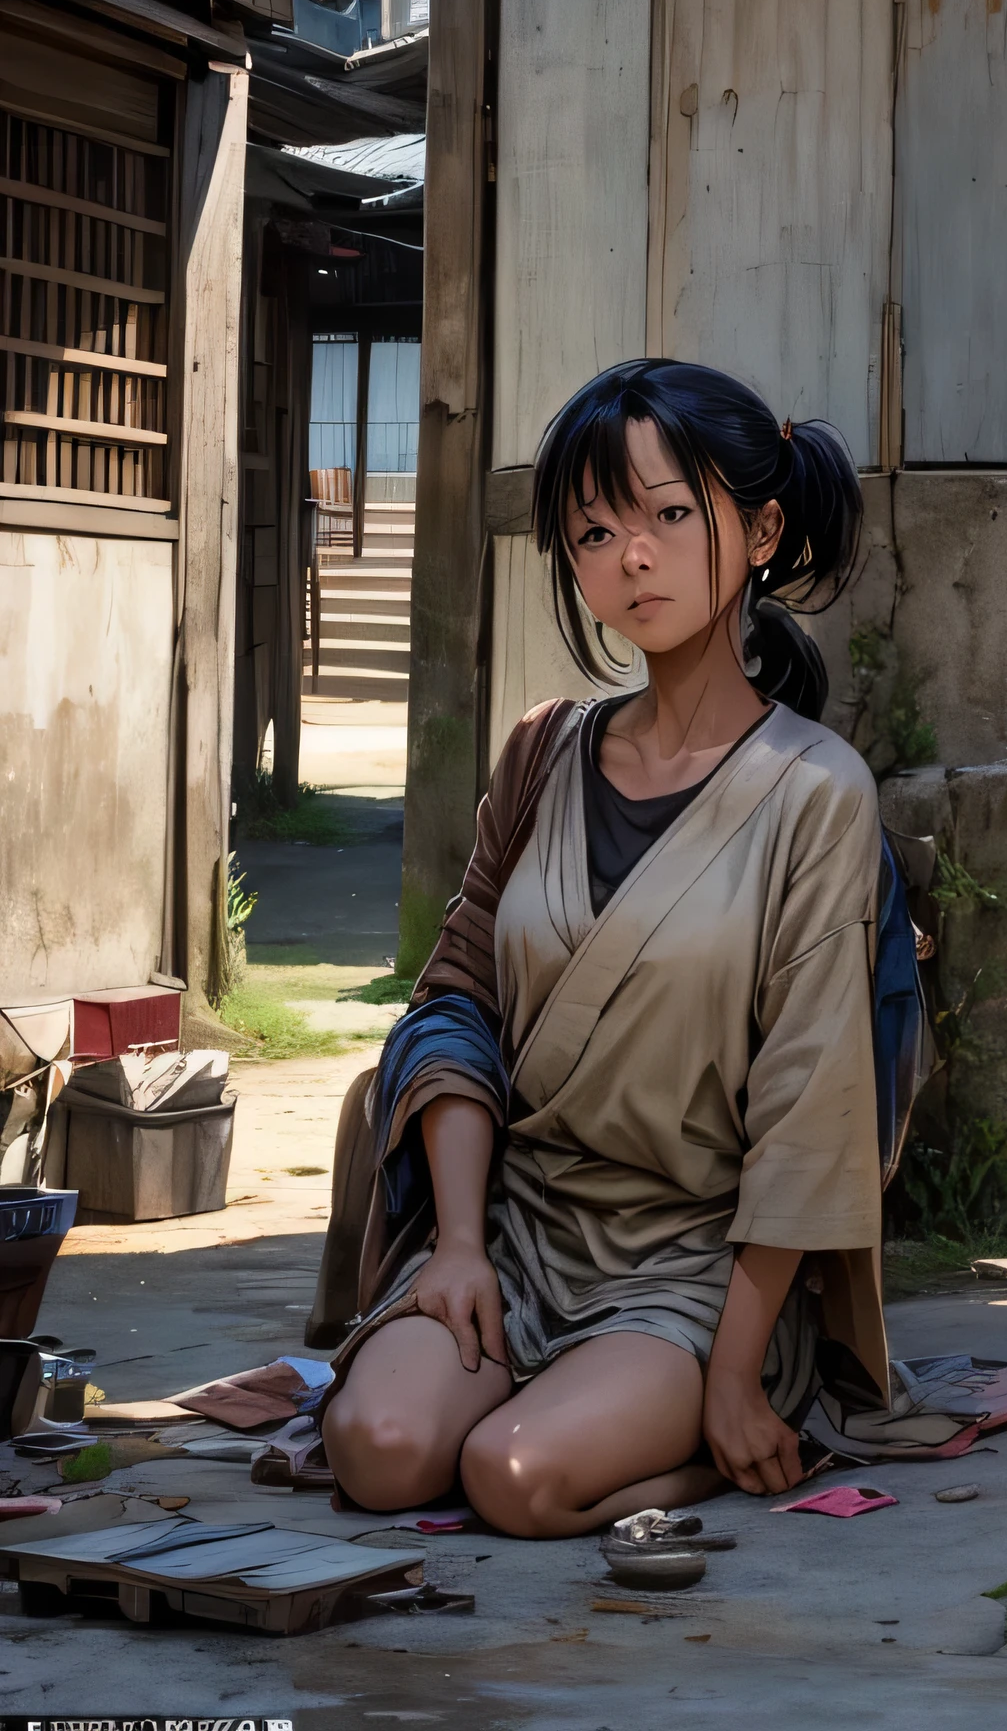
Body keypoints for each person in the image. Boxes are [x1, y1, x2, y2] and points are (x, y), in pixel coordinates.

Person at [320, 360, 890, 1535]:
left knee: (514, 1478)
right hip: (519, 1235)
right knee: (378, 1451)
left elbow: (811, 1106)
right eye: (593, 530)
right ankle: (550, 1382)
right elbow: (456, 1004)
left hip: (696, 1266)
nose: (631, 556)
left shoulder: (816, 792)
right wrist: (461, 1247)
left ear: (762, 526)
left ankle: (709, 1426)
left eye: (670, 515)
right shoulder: (541, 752)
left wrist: (733, 1376)